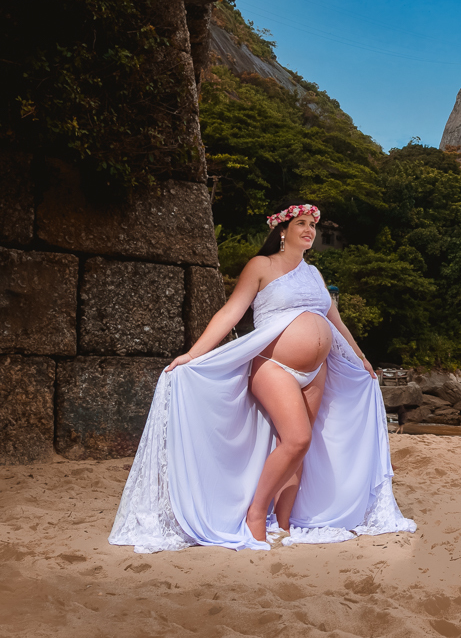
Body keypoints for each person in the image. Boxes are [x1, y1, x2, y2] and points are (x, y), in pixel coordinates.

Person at [110, 202, 416, 553]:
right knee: (297, 439)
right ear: (282, 230)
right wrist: (194, 354)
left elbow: (336, 321)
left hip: (317, 371)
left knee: (300, 449)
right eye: (301, 223)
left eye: (313, 225)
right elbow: (231, 312)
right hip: (274, 367)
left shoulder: (315, 275)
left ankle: (283, 524)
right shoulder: (261, 266)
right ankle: (256, 514)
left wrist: (361, 358)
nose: (309, 230)